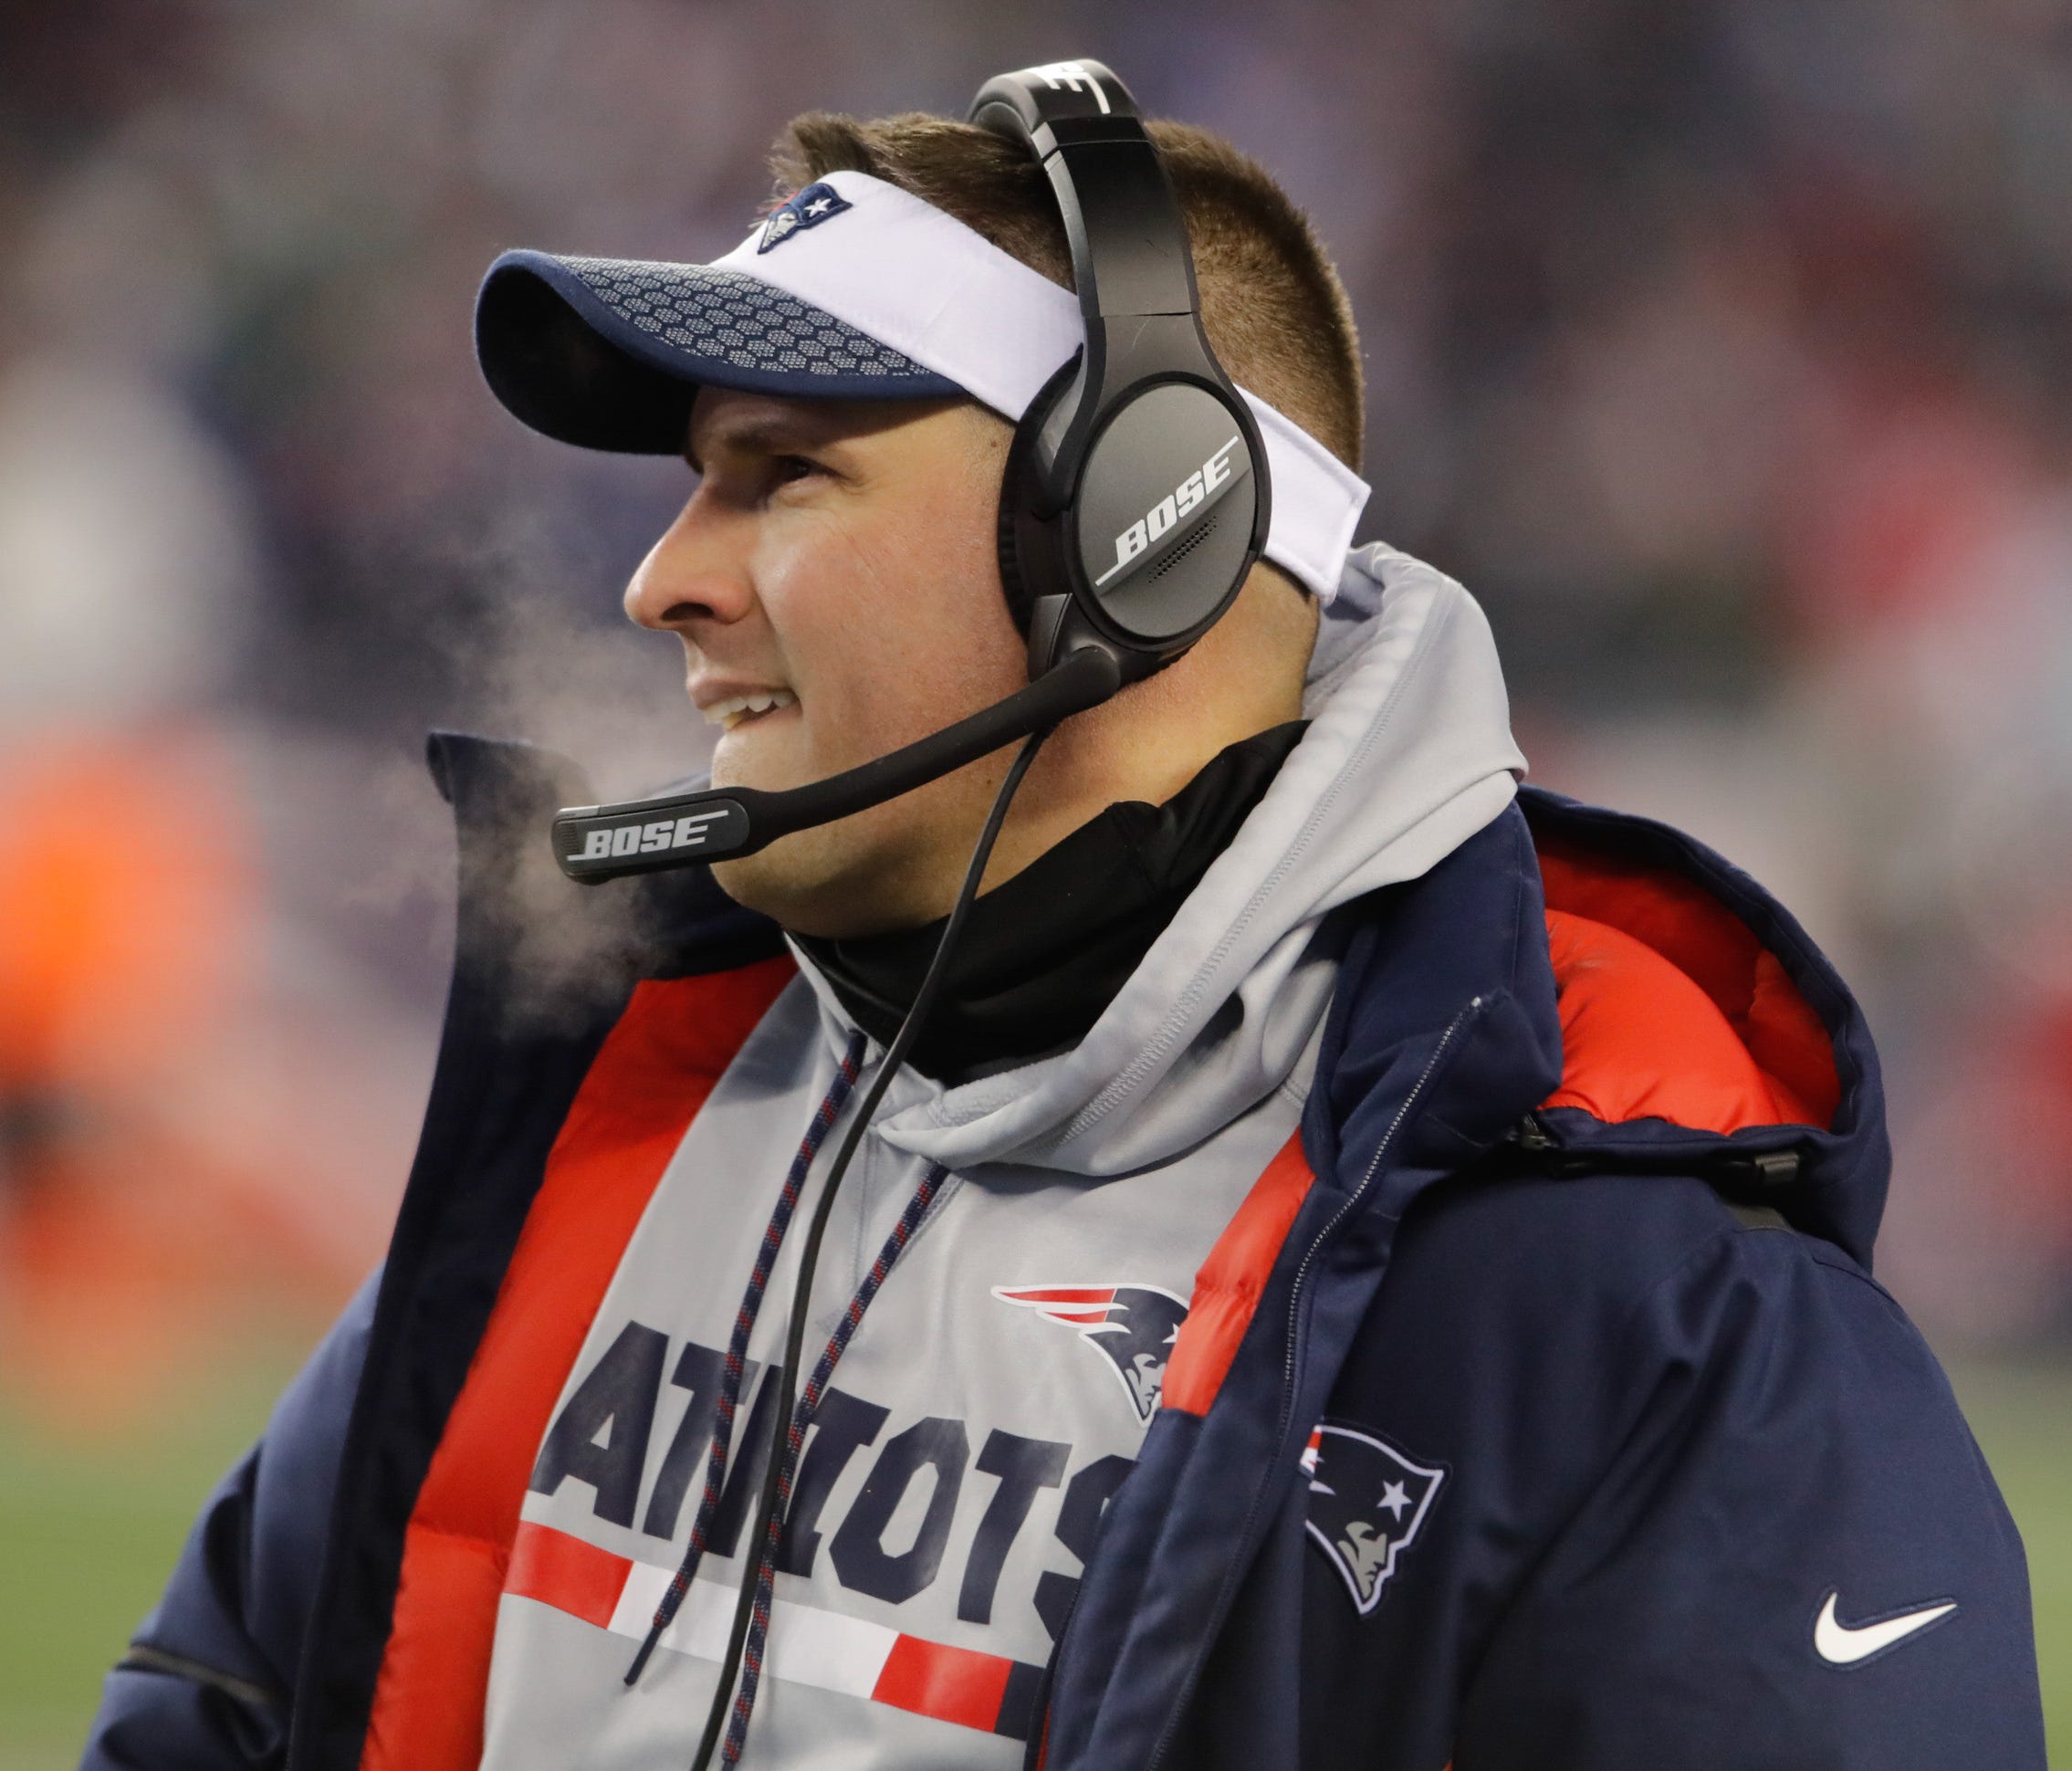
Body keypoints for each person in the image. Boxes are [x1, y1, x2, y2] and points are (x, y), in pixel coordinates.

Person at [83, 60, 2045, 1771]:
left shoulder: (1655, 1348)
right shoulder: (597, 1111)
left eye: (781, 478)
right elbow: (223, 1718)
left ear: (1141, 532)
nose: (663, 580)